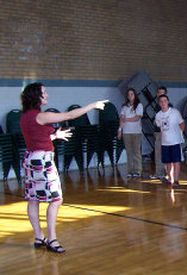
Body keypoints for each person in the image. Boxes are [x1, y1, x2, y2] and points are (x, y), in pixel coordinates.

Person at [20, 82, 107, 253]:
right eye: (44, 92)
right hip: (43, 161)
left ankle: (39, 236)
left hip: (30, 158)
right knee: (56, 199)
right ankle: (52, 239)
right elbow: (70, 115)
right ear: (36, 96)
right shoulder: (41, 116)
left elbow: (36, 139)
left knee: (33, 199)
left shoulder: (25, 117)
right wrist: (93, 105)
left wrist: (53, 136)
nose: (47, 95)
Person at [155, 94, 185, 187]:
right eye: (161, 101)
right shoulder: (158, 115)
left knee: (176, 161)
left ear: (168, 102)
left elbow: (182, 124)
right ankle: (170, 178)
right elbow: (160, 127)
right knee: (167, 162)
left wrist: (179, 134)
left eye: (165, 101)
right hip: (165, 142)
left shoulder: (175, 112)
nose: (163, 103)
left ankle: (176, 180)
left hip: (175, 141)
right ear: (159, 103)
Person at [118, 88, 143, 178]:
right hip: (126, 132)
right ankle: (130, 170)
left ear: (135, 95)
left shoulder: (139, 105)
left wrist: (127, 119)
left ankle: (138, 170)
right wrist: (120, 130)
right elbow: (121, 119)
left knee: (136, 151)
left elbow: (137, 118)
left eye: (132, 94)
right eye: (128, 95)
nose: (130, 96)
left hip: (136, 132)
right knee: (129, 152)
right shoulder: (124, 107)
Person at [150, 86, 169, 180]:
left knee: (166, 153)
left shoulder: (170, 107)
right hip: (157, 133)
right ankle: (159, 173)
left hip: (166, 133)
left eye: (163, 93)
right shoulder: (156, 106)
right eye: (159, 93)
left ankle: (168, 173)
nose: (161, 95)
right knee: (158, 153)